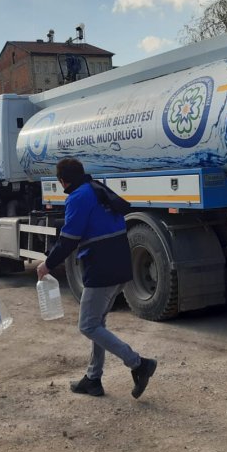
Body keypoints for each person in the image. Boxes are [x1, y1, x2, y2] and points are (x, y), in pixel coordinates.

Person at [36, 158, 156, 399]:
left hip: (102, 267)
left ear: (62, 181)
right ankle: (93, 379)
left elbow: (69, 238)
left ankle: (138, 364)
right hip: (121, 262)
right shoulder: (97, 188)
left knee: (88, 325)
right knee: (97, 325)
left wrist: (47, 265)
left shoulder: (78, 197)